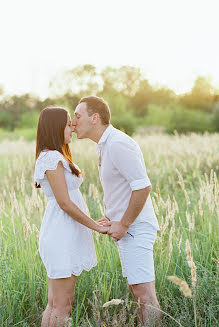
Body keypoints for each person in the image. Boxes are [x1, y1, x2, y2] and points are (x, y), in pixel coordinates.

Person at [72, 96, 161, 325]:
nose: (73, 122)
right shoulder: (104, 144)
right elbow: (124, 187)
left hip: (136, 228)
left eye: (77, 115)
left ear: (95, 118)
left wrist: (124, 224)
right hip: (127, 227)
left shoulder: (118, 143)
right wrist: (112, 218)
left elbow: (143, 187)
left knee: (144, 294)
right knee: (137, 290)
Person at [34, 106, 108, 327]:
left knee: (56, 303)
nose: (72, 127)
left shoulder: (55, 155)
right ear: (56, 127)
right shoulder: (51, 158)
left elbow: (69, 200)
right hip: (61, 234)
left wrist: (94, 221)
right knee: (61, 305)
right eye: (68, 123)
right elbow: (64, 203)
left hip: (65, 231)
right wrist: (95, 226)